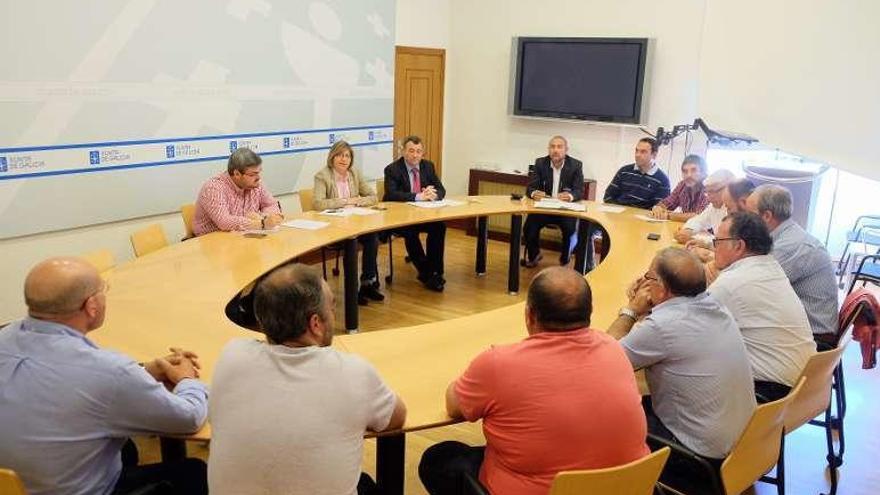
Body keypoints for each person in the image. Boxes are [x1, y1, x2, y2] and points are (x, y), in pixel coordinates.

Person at [419, 267, 649, 495]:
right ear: (589, 313)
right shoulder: (614, 349)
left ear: (529, 315)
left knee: (439, 459)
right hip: (627, 487)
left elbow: (455, 406)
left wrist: (482, 372)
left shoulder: (498, 364)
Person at [0, 257, 208, 495]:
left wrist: (143, 373)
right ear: (92, 306)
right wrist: (187, 380)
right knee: (192, 472)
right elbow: (188, 418)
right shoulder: (108, 370)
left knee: (126, 449)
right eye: (104, 290)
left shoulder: (5, 336)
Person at [208, 264, 406, 495]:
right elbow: (396, 418)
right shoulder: (353, 373)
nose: (334, 313)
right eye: (331, 307)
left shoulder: (231, 356)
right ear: (315, 324)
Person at [607, 248, 755, 488]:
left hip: (700, 460)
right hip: (744, 449)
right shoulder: (717, 306)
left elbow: (605, 357)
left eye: (649, 278)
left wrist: (631, 310)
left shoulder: (663, 327)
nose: (645, 282)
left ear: (663, 289)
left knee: (608, 411)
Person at [709, 212, 816, 402]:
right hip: (800, 385)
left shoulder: (732, 282)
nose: (714, 248)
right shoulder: (770, 267)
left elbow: (687, 330)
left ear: (739, 246)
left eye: (717, 241)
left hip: (767, 392)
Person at [746, 184, 839, 345]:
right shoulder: (784, 236)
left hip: (813, 337)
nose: (745, 221)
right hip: (798, 328)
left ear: (767, 216)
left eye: (749, 215)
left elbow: (752, 285)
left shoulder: (791, 246)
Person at [313, 140, 385, 305]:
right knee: (350, 244)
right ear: (332, 157)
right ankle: (352, 291)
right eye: (339, 155)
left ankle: (367, 284)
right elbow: (318, 204)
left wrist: (358, 202)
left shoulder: (354, 173)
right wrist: (345, 201)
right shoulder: (322, 176)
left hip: (354, 223)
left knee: (372, 238)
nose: (343, 159)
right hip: (333, 228)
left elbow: (373, 196)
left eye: (347, 156)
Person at [383, 135, 448, 291]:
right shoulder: (393, 169)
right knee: (410, 231)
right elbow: (390, 194)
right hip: (401, 218)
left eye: (419, 151)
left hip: (424, 215)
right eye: (411, 151)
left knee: (439, 226)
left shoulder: (428, 166)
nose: (415, 155)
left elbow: (441, 189)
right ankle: (426, 274)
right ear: (404, 152)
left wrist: (434, 194)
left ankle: (436, 270)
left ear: (422, 153)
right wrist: (418, 196)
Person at [522, 135, 585, 267]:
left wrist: (570, 196)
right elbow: (530, 188)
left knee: (570, 229)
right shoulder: (540, 163)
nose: (555, 150)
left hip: (564, 209)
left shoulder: (576, 165)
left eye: (559, 147)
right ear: (548, 149)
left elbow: (579, 191)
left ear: (566, 150)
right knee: (529, 227)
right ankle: (534, 255)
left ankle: (564, 259)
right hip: (544, 208)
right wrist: (534, 193)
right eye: (552, 147)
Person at [192, 148, 283, 236]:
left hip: (240, 237)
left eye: (259, 172)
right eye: (252, 174)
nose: (258, 177)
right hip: (211, 241)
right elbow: (224, 221)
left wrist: (263, 216)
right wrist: (261, 224)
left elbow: (271, 205)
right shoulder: (213, 188)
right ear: (237, 174)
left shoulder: (255, 184)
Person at [603, 137, 671, 209]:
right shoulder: (624, 171)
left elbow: (659, 209)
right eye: (636, 151)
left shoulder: (662, 180)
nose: (637, 155)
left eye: (643, 152)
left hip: (640, 218)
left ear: (654, 155)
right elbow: (608, 197)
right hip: (617, 214)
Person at [673, 168, 735, 244]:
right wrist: (688, 230)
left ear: (729, 188)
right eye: (707, 192)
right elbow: (698, 220)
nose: (709, 197)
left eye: (712, 191)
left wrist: (700, 241)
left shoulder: (737, 210)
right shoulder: (714, 206)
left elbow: (728, 244)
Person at [651, 154, 709, 222]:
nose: (688, 175)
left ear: (703, 173)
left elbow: (700, 216)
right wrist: (658, 208)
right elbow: (667, 203)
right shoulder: (682, 185)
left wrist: (669, 215)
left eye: (693, 170)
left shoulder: (709, 187)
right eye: (685, 171)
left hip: (707, 232)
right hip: (687, 229)